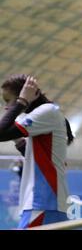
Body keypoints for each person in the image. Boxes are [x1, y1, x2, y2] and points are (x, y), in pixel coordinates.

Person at [0, 74, 74, 228]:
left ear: (25, 94)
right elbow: (38, 158)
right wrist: (18, 140)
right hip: (48, 203)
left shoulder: (47, 111)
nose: (7, 107)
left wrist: (21, 101)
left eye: (8, 100)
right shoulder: (42, 116)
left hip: (43, 202)